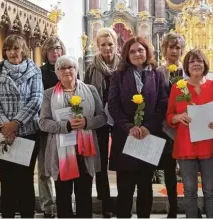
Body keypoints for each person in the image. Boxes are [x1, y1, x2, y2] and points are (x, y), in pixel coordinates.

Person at [108, 36, 168, 218]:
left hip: (147, 137)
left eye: (140, 50)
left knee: (145, 186)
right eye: (132, 51)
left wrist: (148, 127)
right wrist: (128, 127)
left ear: (147, 51)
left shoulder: (157, 74)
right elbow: (113, 105)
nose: (137, 54)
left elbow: (162, 104)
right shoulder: (118, 76)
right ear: (126, 54)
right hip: (126, 137)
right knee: (125, 188)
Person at [39, 55, 106, 218]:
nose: (67, 71)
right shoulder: (48, 94)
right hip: (60, 151)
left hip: (84, 152)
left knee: (84, 197)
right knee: (63, 196)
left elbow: (103, 117)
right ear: (57, 72)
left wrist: (87, 122)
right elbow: (42, 122)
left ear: (77, 70)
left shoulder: (90, 90)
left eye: (71, 67)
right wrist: (65, 126)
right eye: (62, 68)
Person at [0, 34, 43, 218]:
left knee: (25, 179)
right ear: (4, 51)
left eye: (16, 48)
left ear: (23, 50)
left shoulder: (34, 71)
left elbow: (36, 99)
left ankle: (27, 215)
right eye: (9, 49)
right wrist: (4, 125)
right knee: (7, 179)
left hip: (27, 132)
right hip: (2, 132)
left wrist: (16, 123)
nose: (13, 52)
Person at [166, 49, 213, 218]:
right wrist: (178, 117)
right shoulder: (178, 88)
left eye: (199, 60)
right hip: (186, 145)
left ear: (205, 64)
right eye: (192, 61)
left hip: (209, 145)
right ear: (187, 66)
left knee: (210, 190)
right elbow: (169, 115)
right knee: (189, 191)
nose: (196, 64)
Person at [84, 27, 120, 218]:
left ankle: (122, 200)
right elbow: (85, 92)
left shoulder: (123, 65)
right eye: (103, 45)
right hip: (99, 119)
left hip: (120, 118)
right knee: (100, 161)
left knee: (121, 159)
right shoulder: (91, 67)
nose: (107, 48)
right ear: (98, 46)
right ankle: (105, 202)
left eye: (110, 44)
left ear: (116, 45)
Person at [155, 32, 185, 218]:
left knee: (189, 170)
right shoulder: (158, 72)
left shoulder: (187, 69)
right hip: (165, 127)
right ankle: (172, 207)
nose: (174, 51)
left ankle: (192, 205)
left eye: (177, 47)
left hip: (185, 126)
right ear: (164, 49)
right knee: (169, 170)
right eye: (170, 47)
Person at [38, 36, 67, 218]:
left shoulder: (70, 69)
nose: (55, 52)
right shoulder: (40, 72)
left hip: (66, 126)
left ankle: (65, 201)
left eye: (58, 48)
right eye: (51, 49)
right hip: (46, 125)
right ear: (45, 53)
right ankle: (48, 205)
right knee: (44, 168)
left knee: (65, 164)